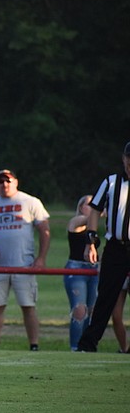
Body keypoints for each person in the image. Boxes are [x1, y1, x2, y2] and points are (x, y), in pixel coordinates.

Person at [0, 169, 50, 350]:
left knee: (28, 306)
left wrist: (41, 258)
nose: (4, 184)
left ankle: (34, 344)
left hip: (24, 265)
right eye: (1, 181)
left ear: (16, 182)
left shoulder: (30, 202)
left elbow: (45, 231)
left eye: (8, 181)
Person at [77, 142, 130, 352]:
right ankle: (88, 343)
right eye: (128, 160)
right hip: (116, 246)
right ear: (124, 159)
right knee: (106, 297)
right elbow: (95, 211)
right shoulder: (111, 182)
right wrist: (91, 241)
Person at [63, 195, 99, 351]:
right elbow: (89, 219)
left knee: (91, 312)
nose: (93, 208)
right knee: (79, 310)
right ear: (80, 207)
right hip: (76, 269)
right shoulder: (75, 222)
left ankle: (87, 346)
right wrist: (102, 210)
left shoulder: (94, 229)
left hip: (93, 270)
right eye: (90, 205)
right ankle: (75, 347)